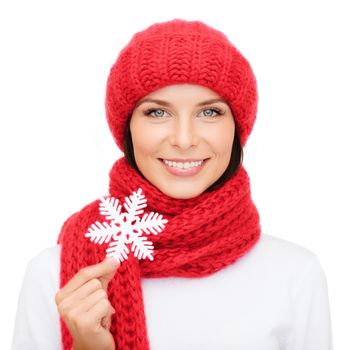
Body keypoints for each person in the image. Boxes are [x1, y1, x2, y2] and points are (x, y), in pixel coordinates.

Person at [12, 18, 333, 350]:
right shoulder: (57, 275)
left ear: (237, 128)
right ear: (127, 129)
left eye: (209, 113)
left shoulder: (296, 274)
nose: (183, 139)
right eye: (156, 113)